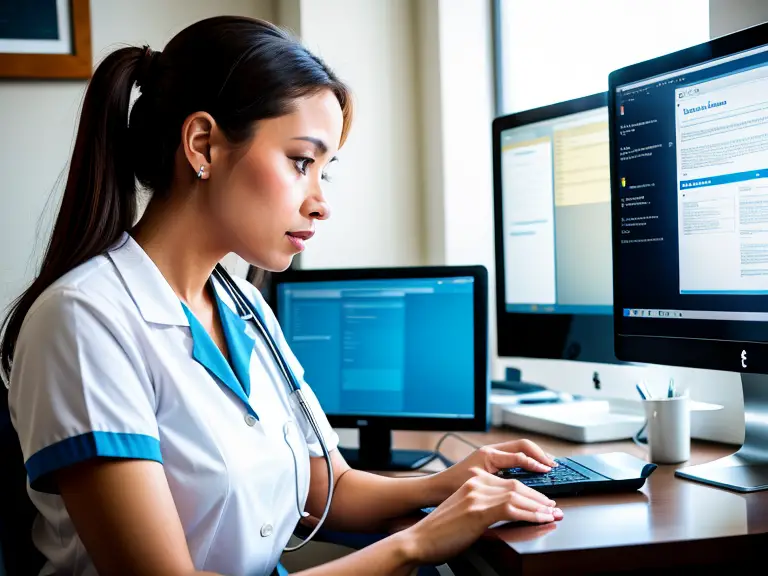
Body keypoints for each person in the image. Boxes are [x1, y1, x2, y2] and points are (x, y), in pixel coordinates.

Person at [0, 16, 563, 576]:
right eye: (300, 162)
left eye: (325, 171)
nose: (321, 202)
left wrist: (452, 481)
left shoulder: (243, 305)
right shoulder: (83, 320)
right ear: (203, 145)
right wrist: (414, 545)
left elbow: (329, 487)